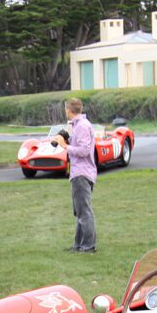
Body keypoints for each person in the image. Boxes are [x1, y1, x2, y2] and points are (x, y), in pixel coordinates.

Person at [61, 97, 97, 253]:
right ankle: (78, 245)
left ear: (68, 110)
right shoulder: (78, 126)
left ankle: (88, 246)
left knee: (84, 211)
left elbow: (83, 151)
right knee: (80, 211)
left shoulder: (82, 126)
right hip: (81, 173)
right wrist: (68, 140)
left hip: (81, 173)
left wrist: (65, 146)